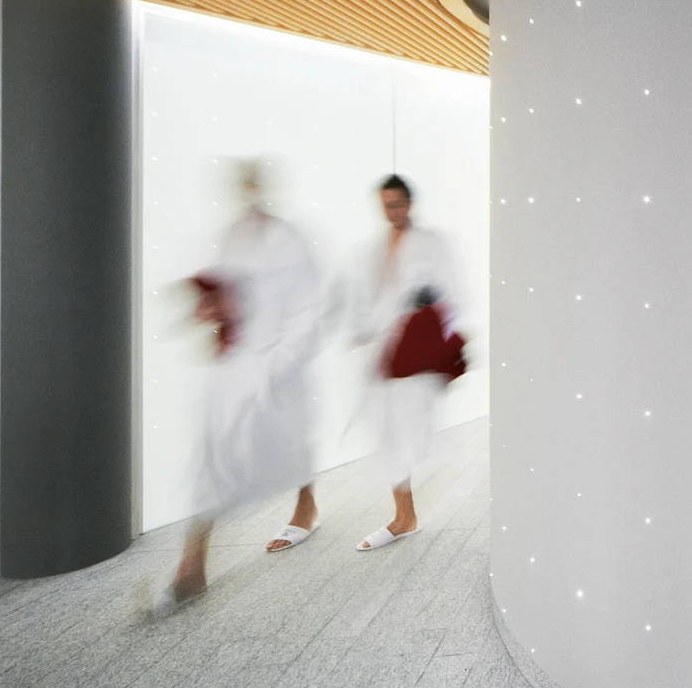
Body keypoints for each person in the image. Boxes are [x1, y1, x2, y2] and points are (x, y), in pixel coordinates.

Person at [153, 161, 324, 614]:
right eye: (240, 182)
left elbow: (308, 310)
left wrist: (278, 365)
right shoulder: (230, 234)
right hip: (231, 367)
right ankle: (192, 567)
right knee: (210, 457)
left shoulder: (288, 238)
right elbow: (223, 288)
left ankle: (306, 507)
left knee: (288, 445)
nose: (246, 190)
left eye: (253, 181)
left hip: (272, 368)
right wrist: (207, 305)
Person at [350, 174, 462, 551]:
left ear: (410, 203)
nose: (391, 211)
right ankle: (404, 516)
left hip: (415, 351)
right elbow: (369, 297)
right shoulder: (374, 248)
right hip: (384, 351)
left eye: (397, 204)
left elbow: (452, 294)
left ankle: (405, 516)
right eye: (385, 205)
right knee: (387, 432)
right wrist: (363, 331)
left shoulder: (433, 243)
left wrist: (431, 328)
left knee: (409, 432)